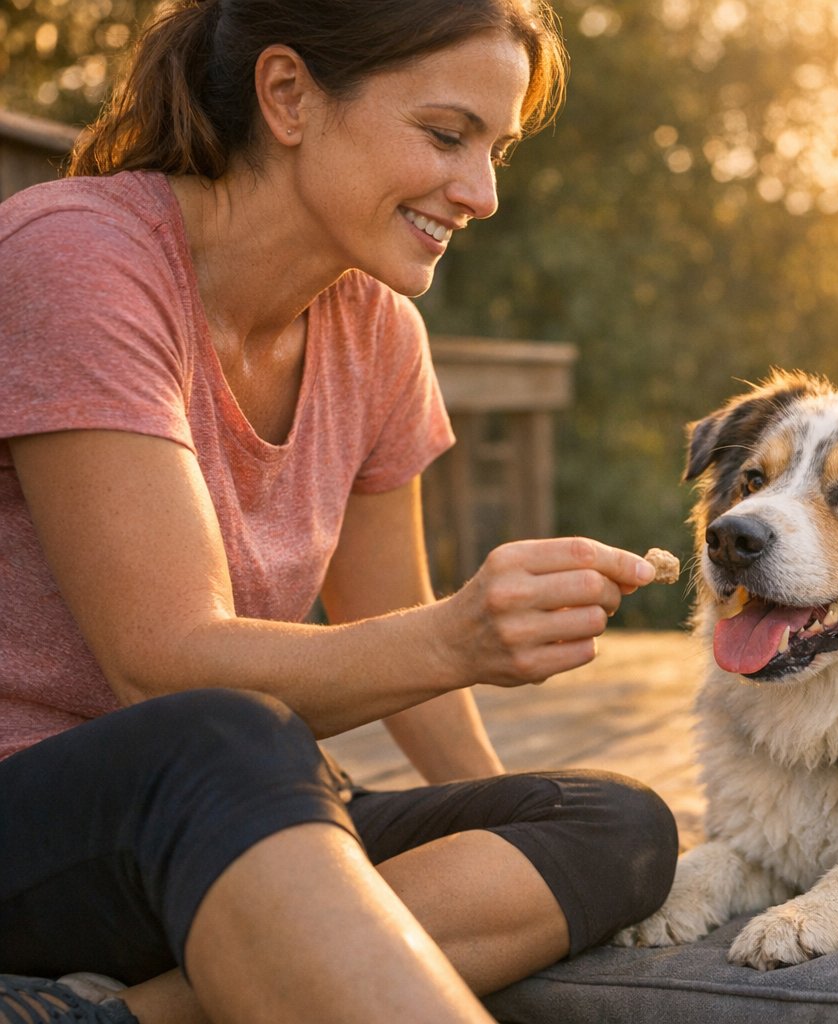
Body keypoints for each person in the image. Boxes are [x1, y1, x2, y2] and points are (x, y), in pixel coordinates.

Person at [0, 1, 679, 1021]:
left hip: (229, 822)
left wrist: (490, 799)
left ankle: (124, 1014)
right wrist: (462, 633)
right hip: (45, 830)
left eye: (496, 149)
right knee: (227, 732)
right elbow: (159, 660)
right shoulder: (79, 256)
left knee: (613, 817)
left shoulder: (378, 333)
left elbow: (397, 644)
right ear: (287, 97)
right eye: (447, 136)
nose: (484, 193)